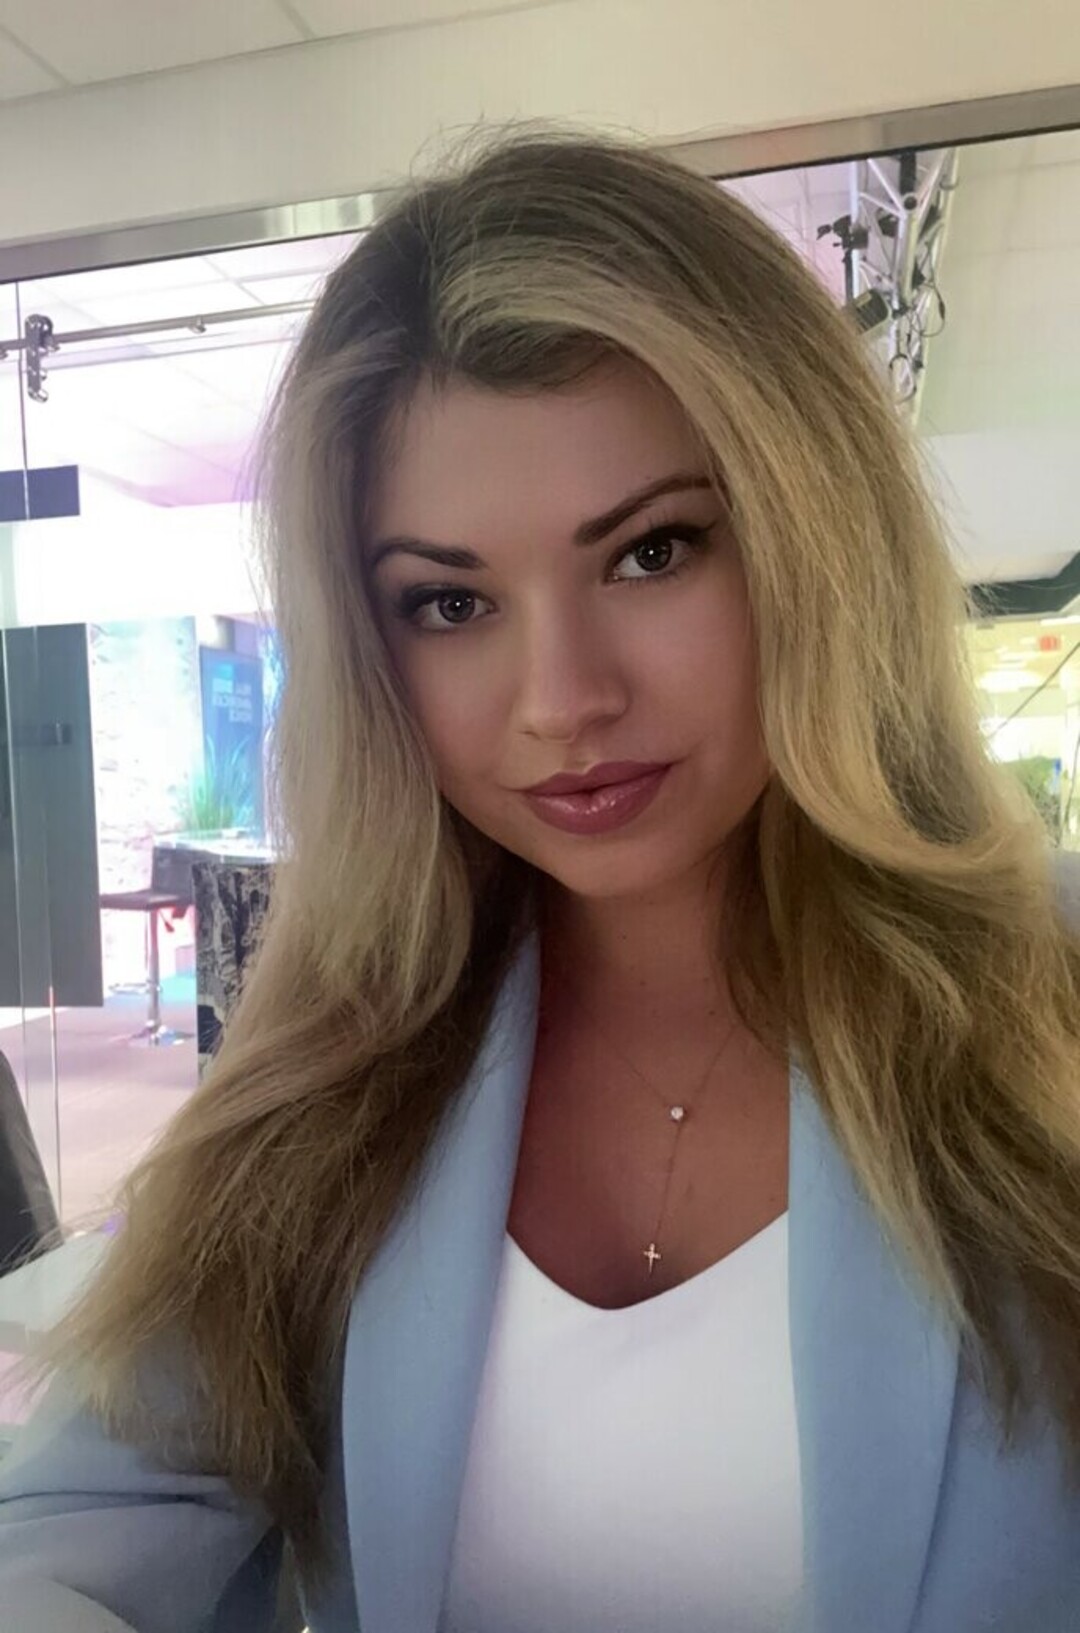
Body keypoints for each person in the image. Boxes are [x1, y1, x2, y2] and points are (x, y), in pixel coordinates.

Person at [2, 126, 1080, 1633]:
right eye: (450, 603)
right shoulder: (349, 1060)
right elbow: (70, 1528)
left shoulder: (1049, 1011)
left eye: (652, 552)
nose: (562, 700)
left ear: (816, 538)